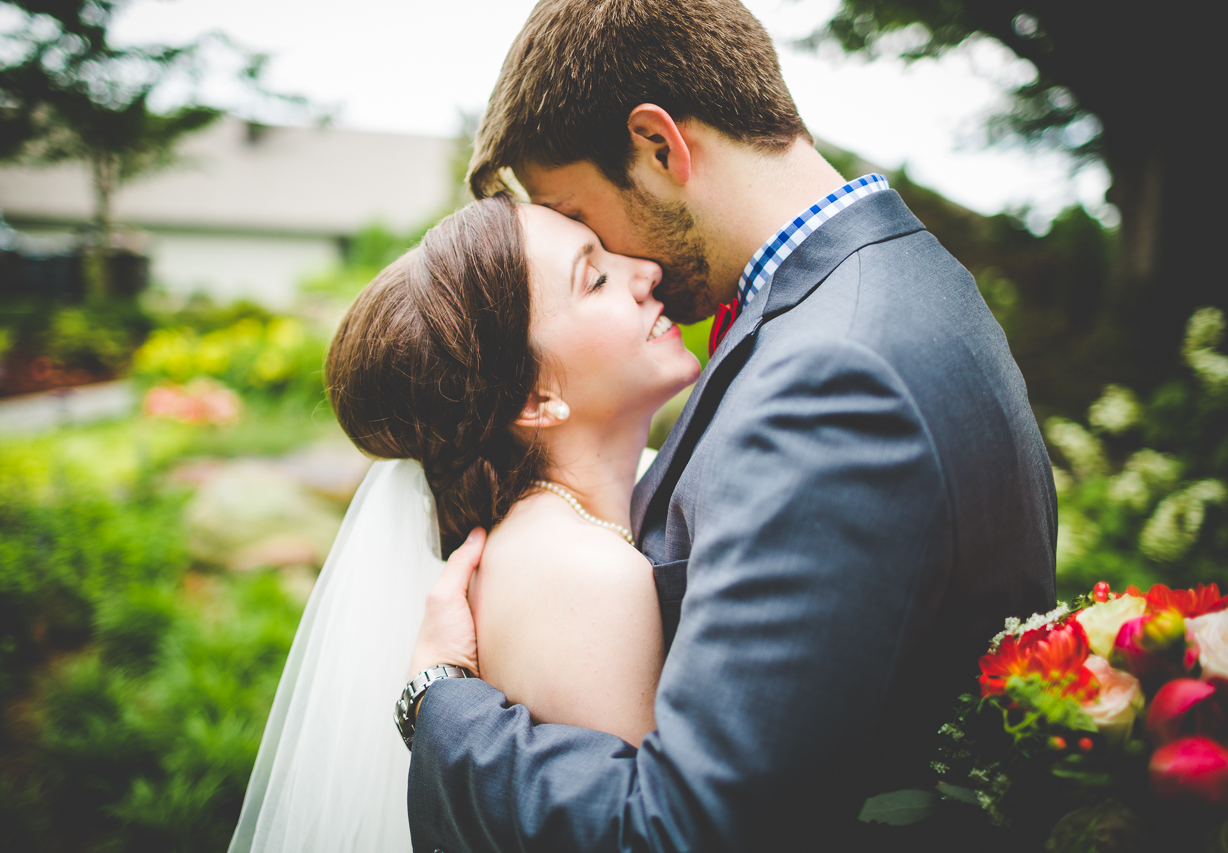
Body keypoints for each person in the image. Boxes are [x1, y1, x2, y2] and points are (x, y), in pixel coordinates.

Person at [402, 0, 1057, 850]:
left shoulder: (834, 372)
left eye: (581, 215)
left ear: (658, 146)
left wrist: (440, 700)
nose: (624, 265)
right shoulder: (900, 285)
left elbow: (689, 827)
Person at [228, 193, 702, 850]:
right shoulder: (584, 572)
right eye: (595, 277)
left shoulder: (558, 534)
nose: (645, 271)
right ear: (536, 399)